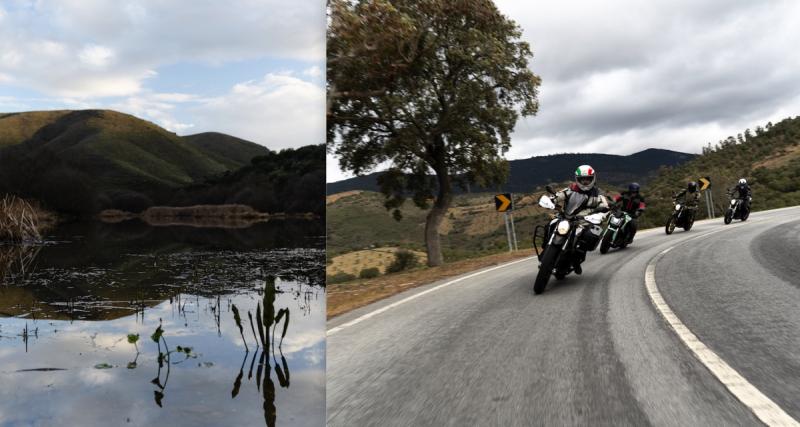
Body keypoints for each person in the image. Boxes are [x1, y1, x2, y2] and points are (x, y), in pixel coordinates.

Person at [551, 164, 609, 274]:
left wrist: (601, 214)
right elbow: (560, 195)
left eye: (588, 179)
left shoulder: (598, 193)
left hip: (584, 222)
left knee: (588, 237)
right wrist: (552, 200)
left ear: (593, 178)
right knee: (551, 224)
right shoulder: (571, 189)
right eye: (582, 179)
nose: (585, 182)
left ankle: (576, 260)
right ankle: (547, 246)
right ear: (577, 179)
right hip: (566, 218)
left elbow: (605, 206)